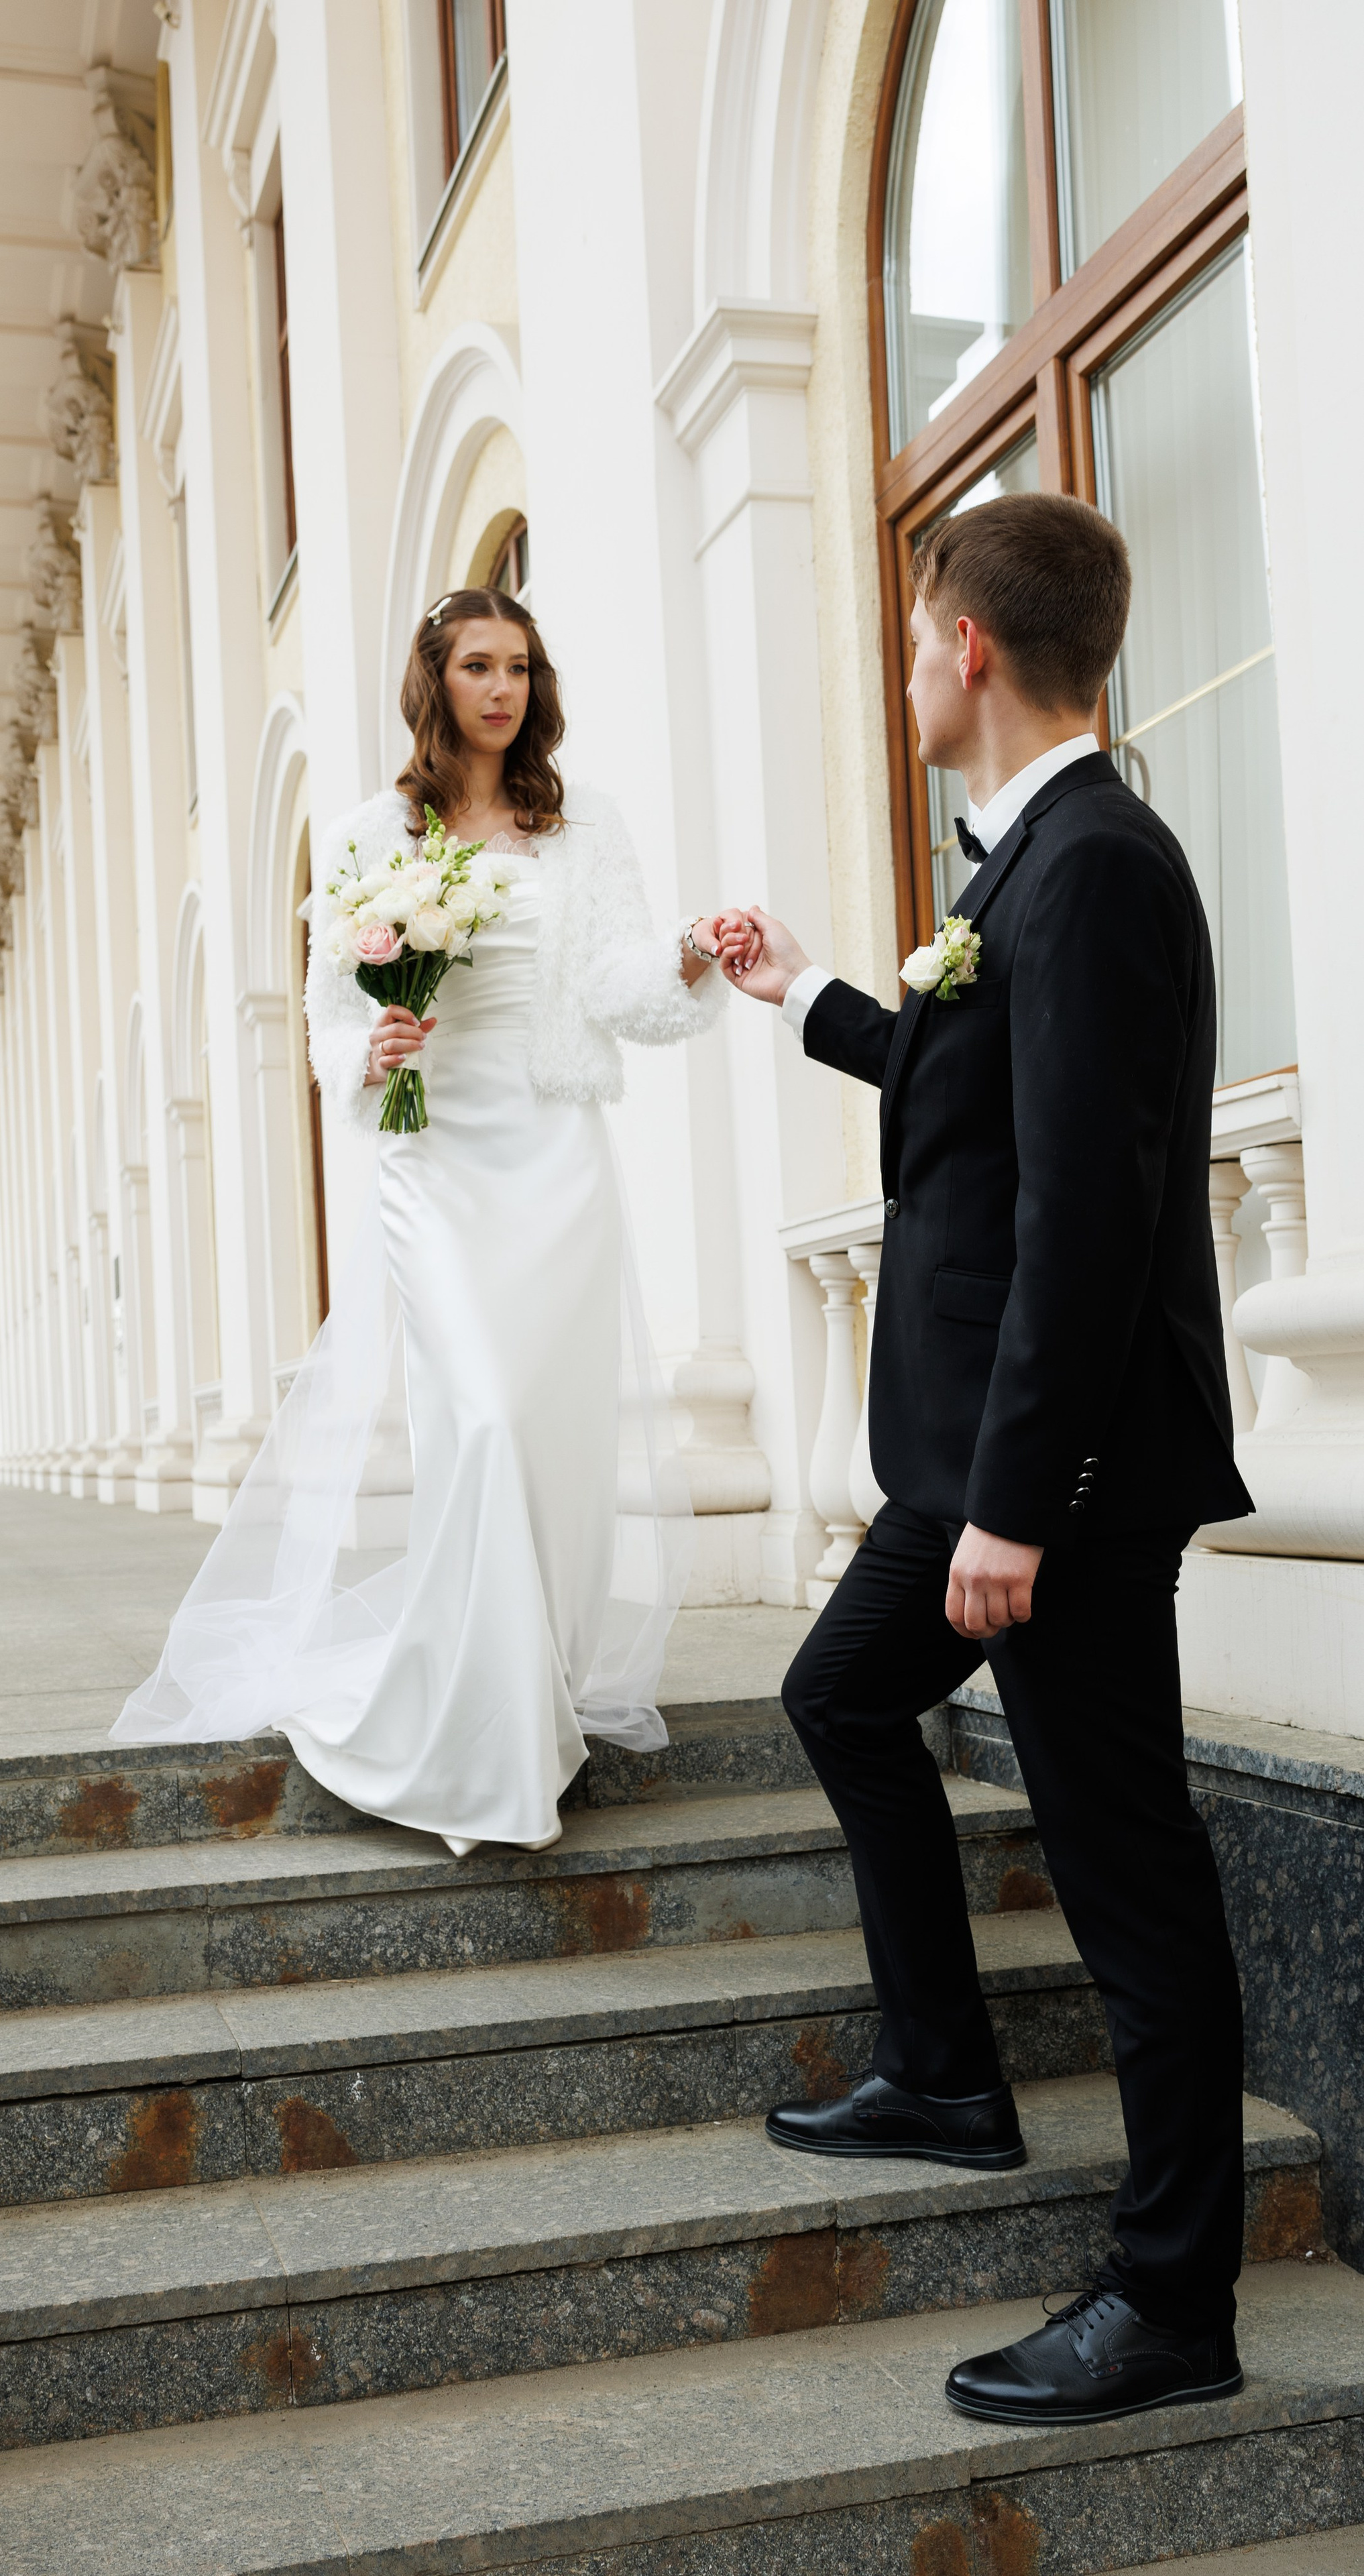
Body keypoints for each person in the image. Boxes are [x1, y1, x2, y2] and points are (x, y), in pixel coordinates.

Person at [720, 492, 1255, 2427]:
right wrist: (803, 990)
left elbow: (1096, 1214)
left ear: (964, 644)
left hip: (1057, 1474)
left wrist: (1020, 1502)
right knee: (845, 1695)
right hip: (971, 1451)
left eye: (910, 625)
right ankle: (944, 2074)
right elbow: (979, 1089)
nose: (903, 661)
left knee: (1133, 1879)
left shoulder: (1097, 862)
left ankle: (1173, 2297)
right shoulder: (1023, 865)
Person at [113, 585, 734, 1854]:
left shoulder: (582, 824)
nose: (501, 689)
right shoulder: (364, 837)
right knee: (490, 1422)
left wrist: (687, 953)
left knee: (551, 1440)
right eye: (477, 668)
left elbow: (620, 984)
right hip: (435, 1155)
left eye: (519, 667)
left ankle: (525, 1691)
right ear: (434, 684)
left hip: (556, 1150)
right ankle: (472, 1743)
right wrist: (370, 1043)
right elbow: (327, 1014)